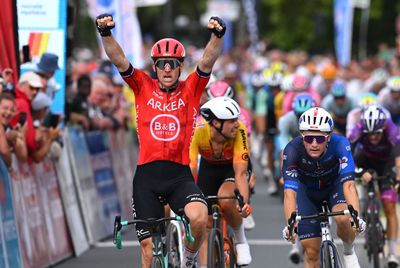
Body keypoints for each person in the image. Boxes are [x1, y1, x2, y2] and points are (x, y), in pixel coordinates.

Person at [96, 13, 225, 268]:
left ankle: (188, 259)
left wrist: (217, 35)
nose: (167, 68)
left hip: (179, 176)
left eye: (173, 64)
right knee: (148, 249)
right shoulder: (142, 86)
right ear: (154, 66)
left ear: (180, 67)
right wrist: (105, 33)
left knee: (200, 218)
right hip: (147, 177)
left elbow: (208, 60)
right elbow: (119, 59)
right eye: (162, 63)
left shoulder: (191, 89)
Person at [281, 107, 365, 268]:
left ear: (328, 138)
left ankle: (348, 251)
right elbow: (289, 193)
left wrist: (356, 217)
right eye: (308, 138)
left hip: (335, 187)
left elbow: (349, 185)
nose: (313, 144)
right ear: (301, 136)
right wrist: (290, 225)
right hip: (308, 193)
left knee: (343, 218)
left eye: (319, 139)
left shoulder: (341, 144)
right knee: (311, 255)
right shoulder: (292, 150)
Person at [190, 97, 252, 266]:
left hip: (231, 168)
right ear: (216, 123)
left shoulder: (240, 131)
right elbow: (191, 170)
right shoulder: (197, 131)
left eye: (237, 119)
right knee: (205, 223)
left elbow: (240, 173)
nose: (237, 123)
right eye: (232, 121)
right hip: (208, 170)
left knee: (226, 198)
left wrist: (243, 204)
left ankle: (240, 239)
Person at [348, 105, 400, 267]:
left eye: (376, 134)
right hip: (365, 160)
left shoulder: (392, 130)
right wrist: (358, 171)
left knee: (389, 206)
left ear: (383, 127)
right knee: (351, 182)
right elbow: (346, 155)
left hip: (386, 162)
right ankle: (364, 203)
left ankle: (392, 253)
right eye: (369, 134)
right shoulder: (357, 130)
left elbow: (398, 157)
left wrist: (397, 178)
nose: (372, 138)